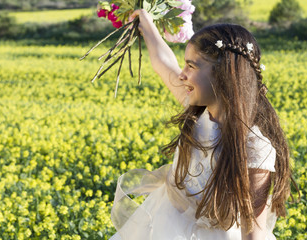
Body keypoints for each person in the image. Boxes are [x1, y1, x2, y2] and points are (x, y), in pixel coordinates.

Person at [109, 9, 294, 240]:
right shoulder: (197, 113)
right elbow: (162, 63)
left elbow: (253, 232)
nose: (181, 75)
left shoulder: (255, 147)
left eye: (191, 66)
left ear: (222, 74)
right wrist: (146, 22)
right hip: (165, 225)